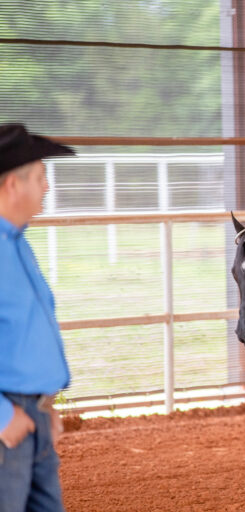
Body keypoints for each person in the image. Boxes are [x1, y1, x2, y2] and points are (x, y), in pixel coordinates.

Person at [0, 123, 75, 512]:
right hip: (8, 421)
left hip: (33, 415)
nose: (46, 187)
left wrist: (44, 407)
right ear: (13, 184)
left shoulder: (18, 243)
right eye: (41, 177)